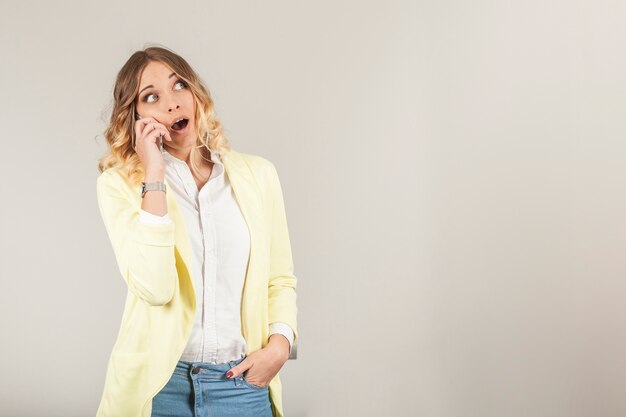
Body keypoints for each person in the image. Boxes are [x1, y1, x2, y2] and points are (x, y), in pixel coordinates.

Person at [94, 45, 298, 417]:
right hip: (159, 389)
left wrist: (281, 346)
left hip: (242, 384)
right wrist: (153, 173)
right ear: (136, 116)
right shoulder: (119, 185)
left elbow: (280, 279)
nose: (171, 103)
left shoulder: (258, 176)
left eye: (179, 86)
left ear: (196, 94)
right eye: (151, 96)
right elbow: (155, 289)